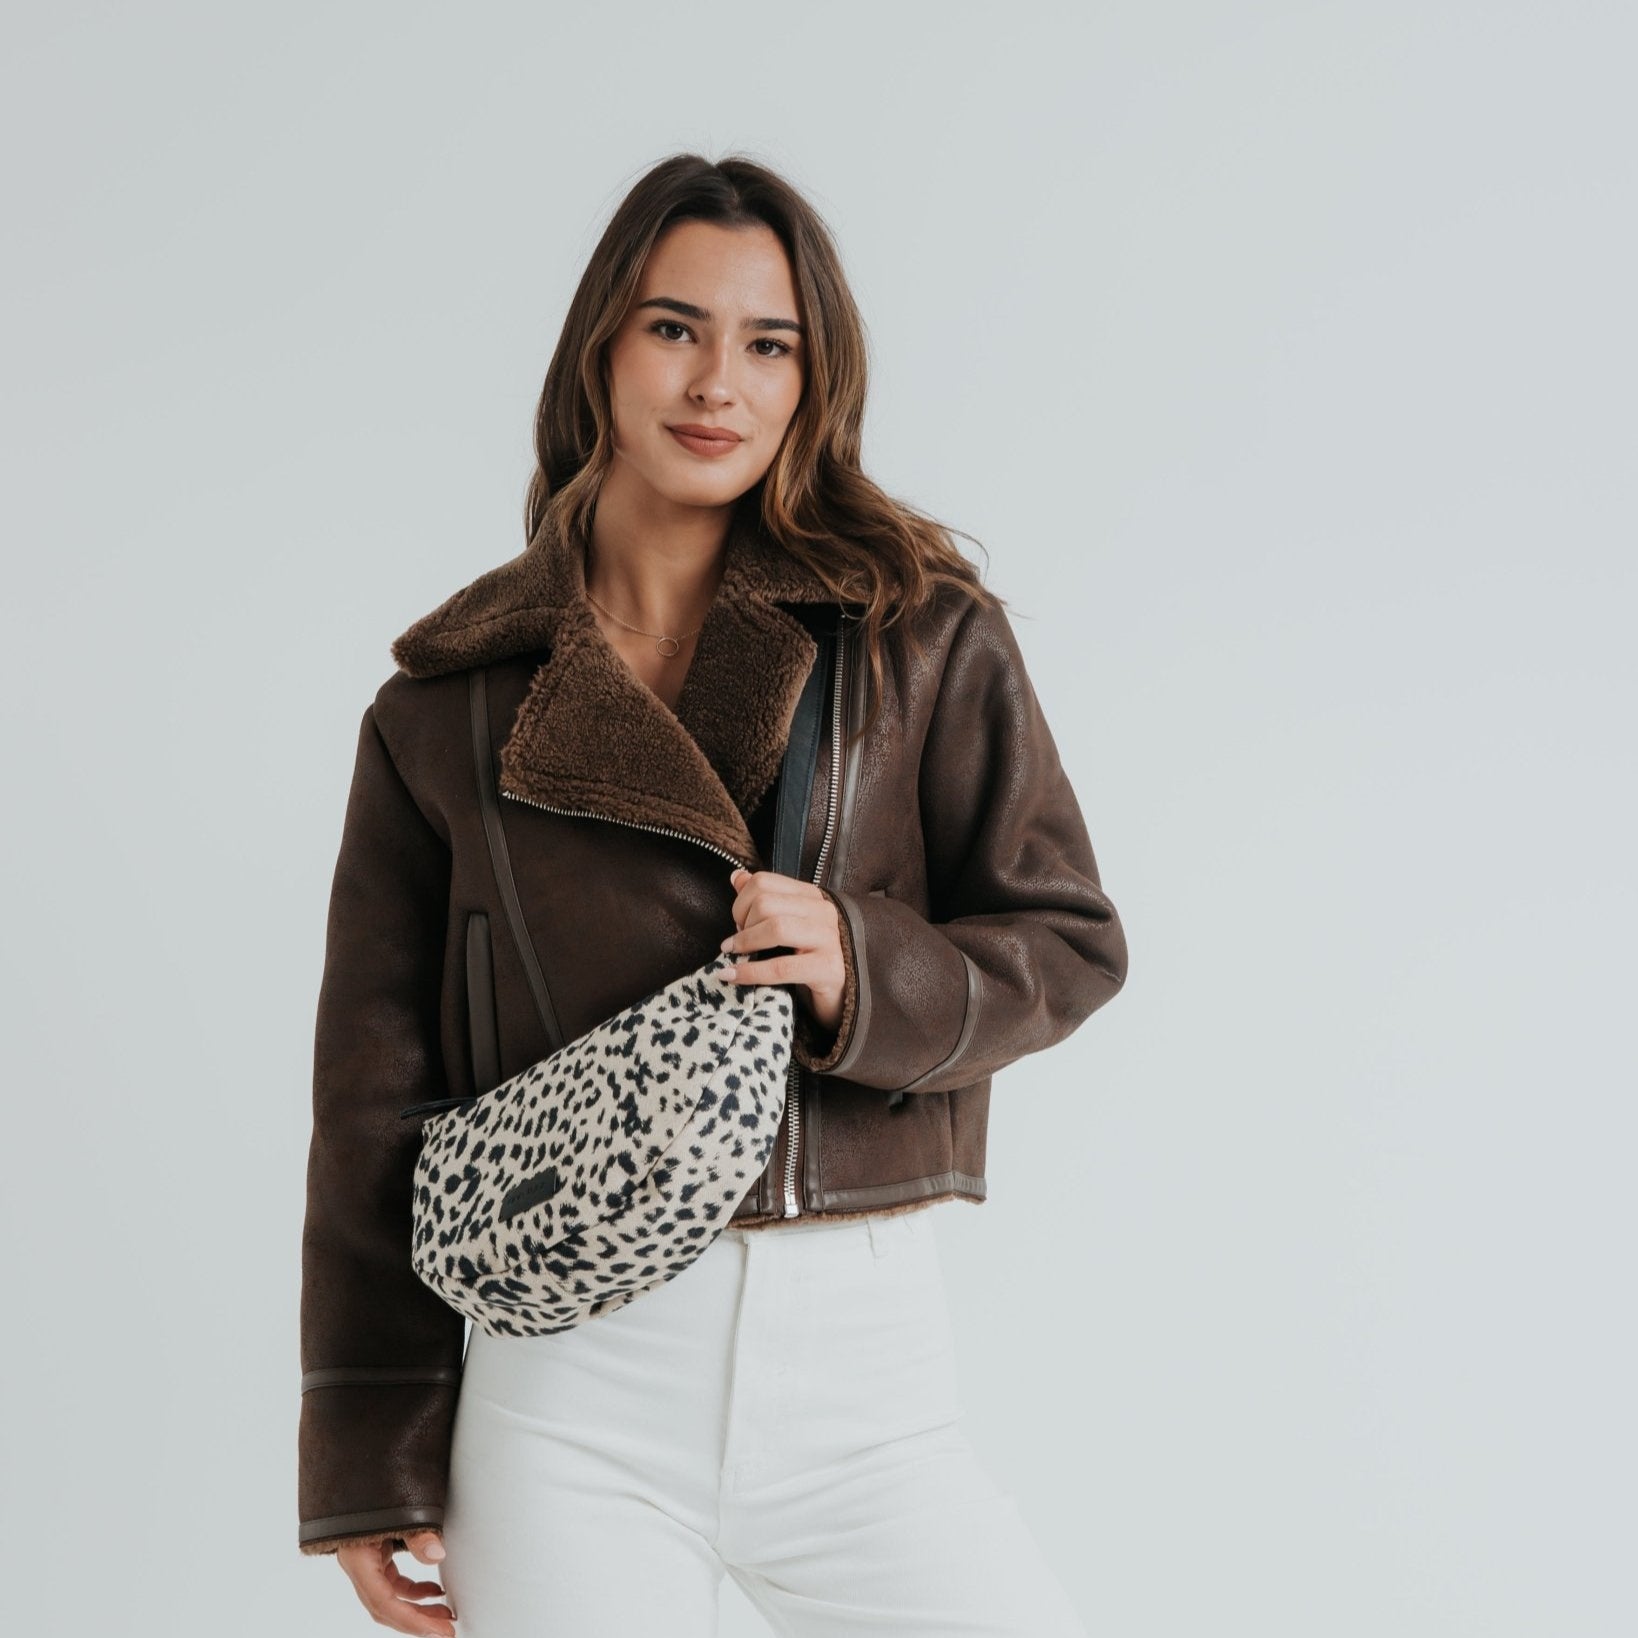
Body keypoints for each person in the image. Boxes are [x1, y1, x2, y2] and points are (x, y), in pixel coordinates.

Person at [297, 152, 1128, 1637]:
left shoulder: (917, 634)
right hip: (570, 1394)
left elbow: (1066, 941)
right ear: (601, 348)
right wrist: (370, 1454)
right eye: (674, 327)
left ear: (814, 379)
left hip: (865, 1378)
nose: (715, 384)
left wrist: (865, 965)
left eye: (768, 344)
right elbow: (374, 1103)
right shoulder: (445, 709)